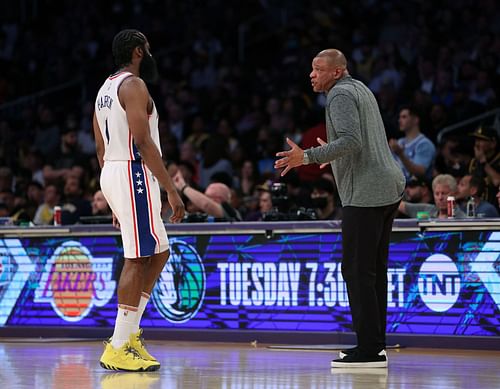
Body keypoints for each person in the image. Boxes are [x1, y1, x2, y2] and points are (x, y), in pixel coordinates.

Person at [274, 49, 405, 368]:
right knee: (373, 272)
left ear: (337, 71)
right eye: (312, 68)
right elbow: (359, 142)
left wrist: (306, 157)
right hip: (387, 186)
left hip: (366, 192)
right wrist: (330, 153)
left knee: (358, 271)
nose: (312, 74)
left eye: (318, 69)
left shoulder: (339, 95)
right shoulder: (361, 88)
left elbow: (351, 141)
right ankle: (375, 344)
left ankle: (370, 350)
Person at [93, 29, 185, 372]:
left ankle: (129, 334)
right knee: (137, 258)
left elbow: (100, 146)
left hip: (115, 171)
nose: (150, 53)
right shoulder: (133, 85)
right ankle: (118, 345)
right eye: (147, 48)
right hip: (133, 171)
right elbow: (144, 142)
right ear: (136, 51)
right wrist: (171, 189)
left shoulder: (105, 88)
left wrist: (113, 192)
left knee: (159, 252)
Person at [389, 106, 436, 181]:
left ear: (415, 120)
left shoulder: (425, 144)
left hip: (418, 188)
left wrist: (400, 154)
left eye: (404, 117)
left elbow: (420, 172)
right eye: (399, 117)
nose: (399, 120)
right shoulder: (399, 142)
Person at [173, 170, 242, 221]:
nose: (202, 200)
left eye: (208, 197)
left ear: (219, 199)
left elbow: (206, 205)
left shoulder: (231, 213)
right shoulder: (202, 217)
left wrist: (183, 187)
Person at [399, 174, 466, 219]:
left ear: (454, 194)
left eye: (444, 193)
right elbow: (400, 205)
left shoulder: (462, 218)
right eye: (437, 194)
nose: (440, 198)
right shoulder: (427, 210)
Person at [468, 126, 500, 205]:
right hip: (477, 208)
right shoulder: (474, 162)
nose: (477, 144)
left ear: (493, 143)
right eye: (476, 140)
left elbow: (497, 182)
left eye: (481, 140)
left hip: (495, 210)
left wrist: (483, 162)